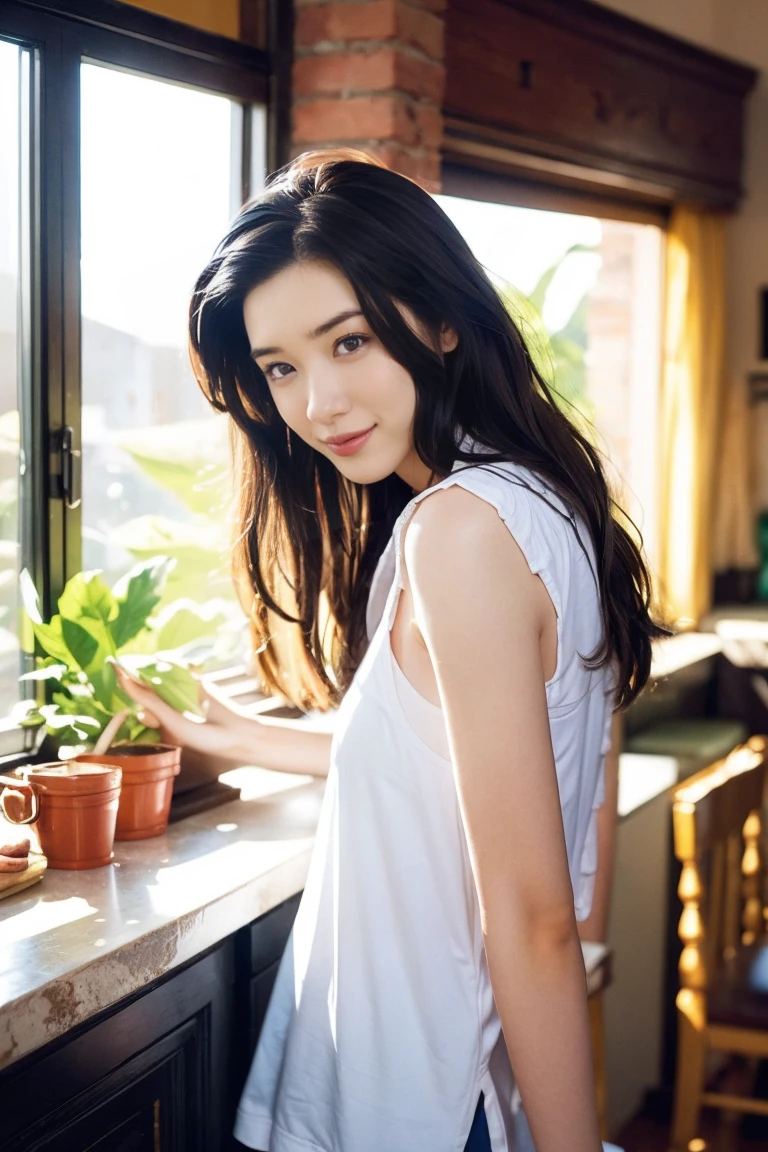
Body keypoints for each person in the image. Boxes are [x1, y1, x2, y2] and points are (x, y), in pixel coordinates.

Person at [115, 149, 668, 1152]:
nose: (317, 401)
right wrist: (246, 736)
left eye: (350, 340)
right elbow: (480, 768)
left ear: (442, 317)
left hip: (418, 1102)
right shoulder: (545, 501)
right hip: (442, 1091)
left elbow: (537, 916)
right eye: (281, 366)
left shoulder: (456, 533)